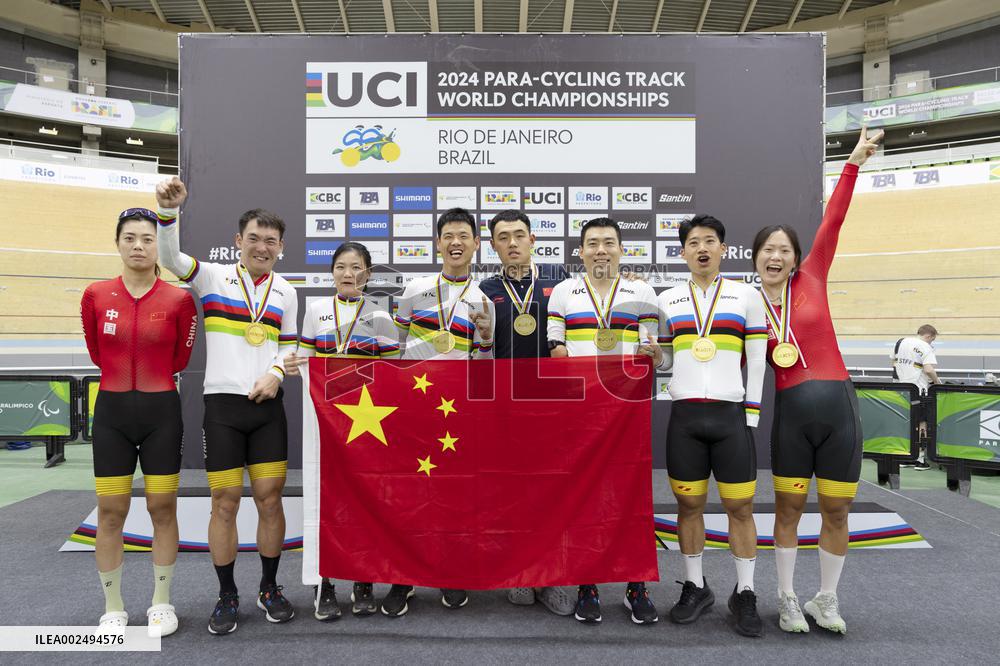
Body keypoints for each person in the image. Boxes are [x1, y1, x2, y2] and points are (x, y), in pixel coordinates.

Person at [751, 126, 883, 635]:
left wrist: (853, 163)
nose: (777, 256)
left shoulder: (815, 277)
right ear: (756, 255)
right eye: (768, 249)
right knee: (787, 507)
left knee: (838, 506)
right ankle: (785, 597)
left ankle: (825, 599)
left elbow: (835, 217)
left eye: (785, 249)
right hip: (790, 416)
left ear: (796, 256)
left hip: (837, 411)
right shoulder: (744, 303)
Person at [155, 177, 299, 635]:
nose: (262, 247)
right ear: (238, 242)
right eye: (253, 239)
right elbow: (170, 259)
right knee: (224, 502)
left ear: (281, 247)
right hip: (221, 407)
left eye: (270, 241)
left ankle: (270, 588)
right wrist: (167, 214)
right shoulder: (214, 277)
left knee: (271, 500)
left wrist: (276, 375)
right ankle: (227, 594)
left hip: (266, 409)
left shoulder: (287, 292)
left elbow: (291, 346)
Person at [81, 208, 198, 635]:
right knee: (110, 511)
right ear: (117, 243)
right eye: (129, 238)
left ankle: (161, 603)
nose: (138, 246)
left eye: (148, 239)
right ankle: (113, 607)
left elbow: (180, 358)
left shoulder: (179, 299)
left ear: (158, 247)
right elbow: (97, 353)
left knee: (161, 507)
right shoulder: (95, 294)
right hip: (111, 413)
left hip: (161, 413)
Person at [546, 217, 661, 625]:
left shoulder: (642, 290)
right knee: (585, 497)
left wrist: (654, 357)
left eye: (608, 242)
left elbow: (654, 353)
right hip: (580, 412)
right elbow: (556, 353)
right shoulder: (562, 292)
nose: (600, 249)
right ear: (580, 252)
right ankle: (586, 584)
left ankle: (636, 585)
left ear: (621, 249)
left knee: (631, 497)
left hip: (627, 411)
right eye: (592, 243)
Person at [657, 214, 768, 637]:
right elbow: (665, 362)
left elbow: (756, 360)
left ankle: (746, 592)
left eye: (710, 241)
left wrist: (752, 414)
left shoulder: (747, 297)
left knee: (740, 508)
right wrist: (655, 358)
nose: (701, 248)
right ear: (682, 252)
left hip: (731, 418)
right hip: (684, 418)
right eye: (693, 242)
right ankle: (695, 585)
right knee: (688, 507)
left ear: (723, 248)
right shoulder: (667, 299)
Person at [385, 207, 494, 616]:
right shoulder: (414, 289)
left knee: (454, 495)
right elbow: (393, 350)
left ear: (475, 244)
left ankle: (451, 570)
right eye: (448, 235)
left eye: (463, 235)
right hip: (414, 407)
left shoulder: (484, 298)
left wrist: (484, 338)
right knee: (408, 495)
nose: (456, 242)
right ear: (437, 243)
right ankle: (403, 577)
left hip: (459, 414)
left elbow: (484, 366)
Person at [283, 242, 400, 620]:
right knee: (326, 500)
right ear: (332, 272)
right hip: (327, 423)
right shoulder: (316, 311)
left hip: (368, 423)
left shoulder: (382, 316)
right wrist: (293, 363)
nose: (348, 274)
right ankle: (326, 582)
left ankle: (363, 580)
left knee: (364, 500)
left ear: (368, 273)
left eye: (356, 267)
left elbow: (393, 374)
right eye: (341, 267)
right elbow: (306, 363)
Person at [478, 209, 575, 617]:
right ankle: (520, 572)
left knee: (553, 493)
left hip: (554, 404)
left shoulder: (561, 281)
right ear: (495, 245)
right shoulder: (484, 287)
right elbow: (480, 351)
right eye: (504, 237)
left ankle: (553, 576)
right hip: (505, 405)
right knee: (514, 493)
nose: (513, 243)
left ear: (534, 239)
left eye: (520, 235)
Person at [891, 324, 940, 470]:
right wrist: (937, 382)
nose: (932, 342)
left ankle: (907, 456)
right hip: (919, 390)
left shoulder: (900, 342)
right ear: (929, 336)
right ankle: (919, 458)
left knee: (907, 422)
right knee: (922, 423)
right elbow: (929, 369)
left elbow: (893, 363)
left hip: (901, 389)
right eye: (933, 340)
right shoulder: (926, 347)